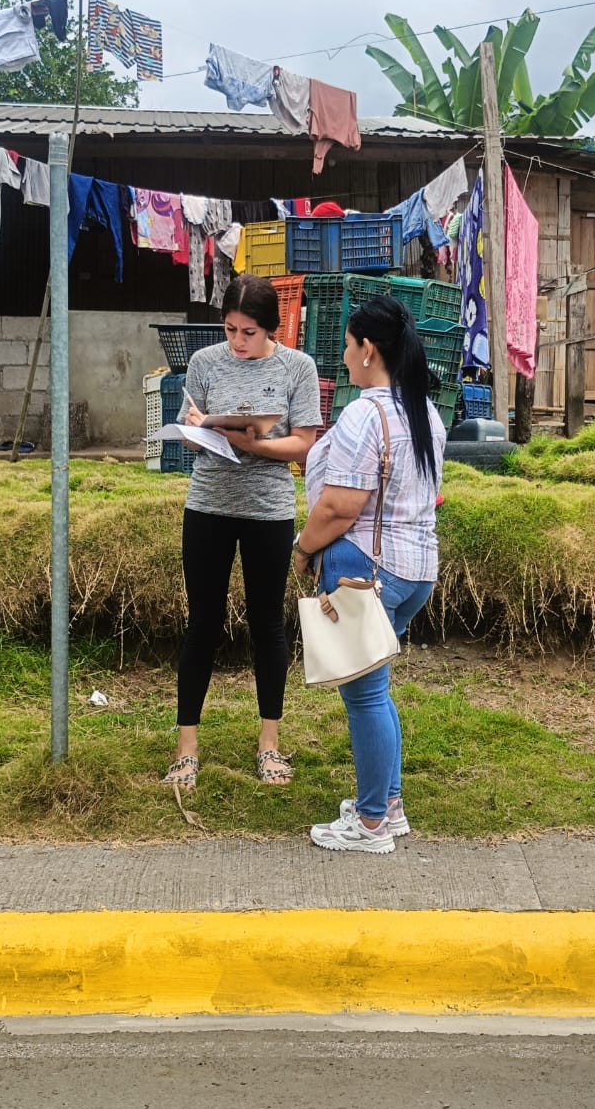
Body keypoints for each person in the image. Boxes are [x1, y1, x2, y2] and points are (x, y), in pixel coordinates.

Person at [293, 297, 446, 853]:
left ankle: (372, 822)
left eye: (347, 344)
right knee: (375, 691)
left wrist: (302, 549)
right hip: (415, 571)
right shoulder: (423, 410)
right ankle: (390, 804)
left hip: (366, 568)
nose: (343, 355)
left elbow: (340, 507)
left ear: (368, 350)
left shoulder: (366, 413)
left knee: (364, 698)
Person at [162, 275, 321, 790]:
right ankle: (186, 747)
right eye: (230, 329)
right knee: (202, 623)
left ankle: (269, 743)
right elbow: (190, 438)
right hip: (208, 504)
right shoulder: (204, 362)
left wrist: (252, 444)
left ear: (270, 327)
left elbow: (303, 443)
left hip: (268, 510)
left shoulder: (297, 367)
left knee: (267, 623)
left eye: (248, 332)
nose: (237, 341)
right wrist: (198, 428)